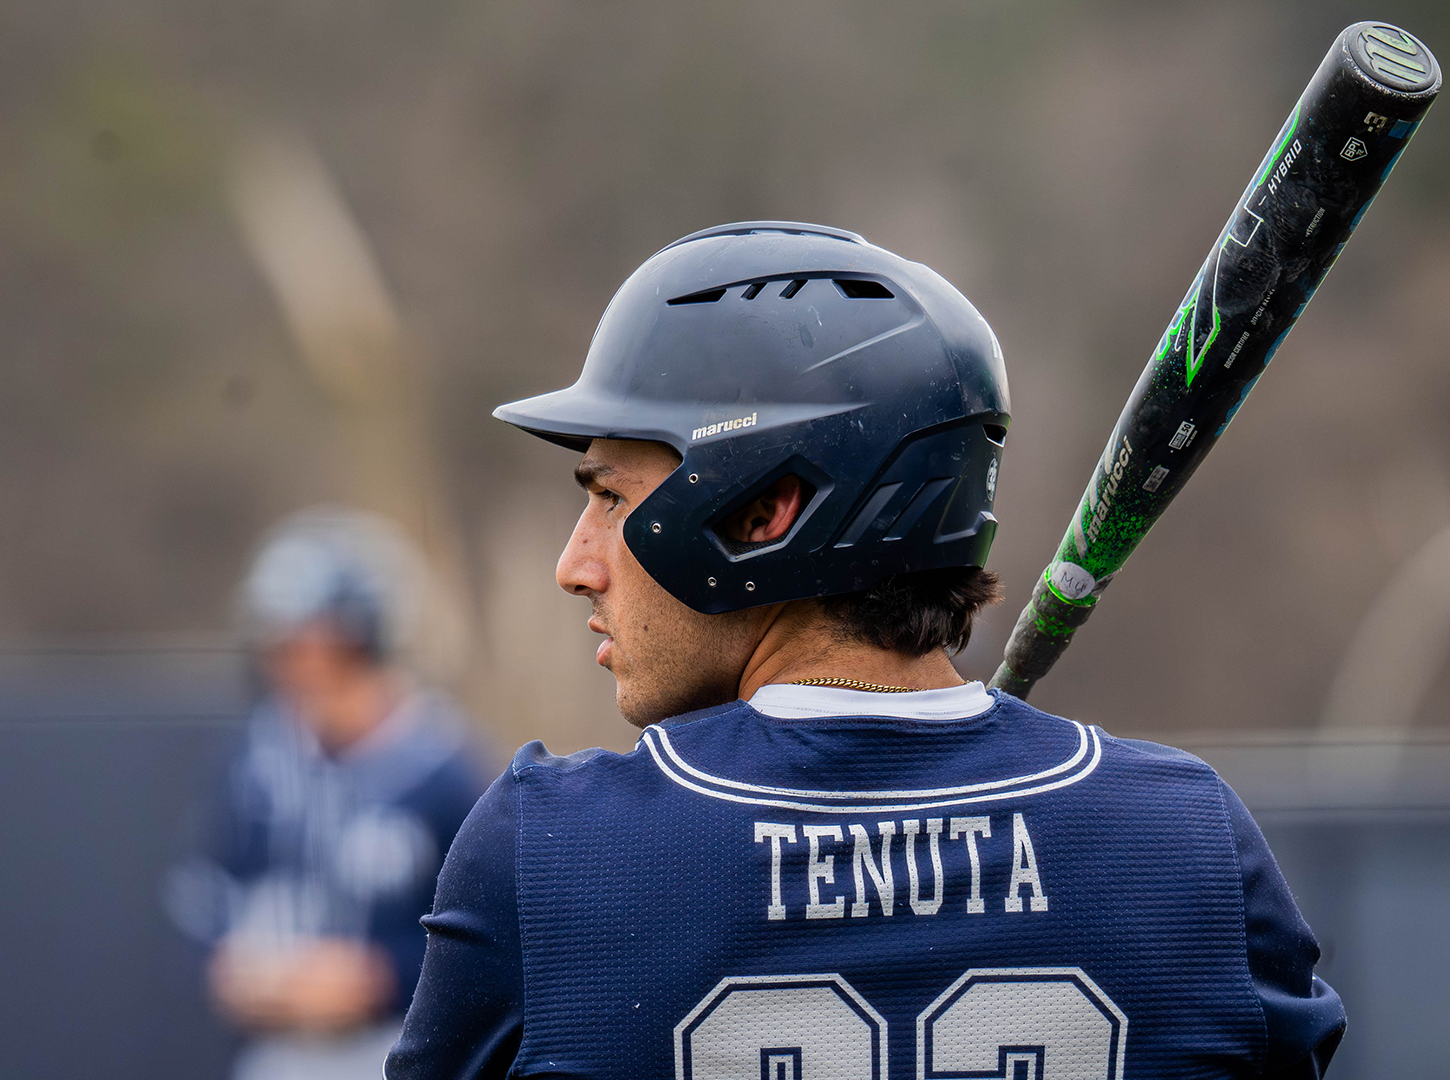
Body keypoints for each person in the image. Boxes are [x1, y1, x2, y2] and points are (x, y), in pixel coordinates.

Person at [387, 222, 1345, 1079]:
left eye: (607, 497)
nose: (575, 565)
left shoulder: (552, 857)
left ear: (761, 511)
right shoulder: (1186, 847)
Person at [167, 506, 488, 1080]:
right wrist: (237, 970)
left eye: (313, 642)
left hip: (402, 1051)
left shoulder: (443, 773)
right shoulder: (253, 766)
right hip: (276, 1054)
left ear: (366, 637)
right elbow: (203, 897)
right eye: (280, 644)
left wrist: (379, 976)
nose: (293, 664)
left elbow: (488, 940)